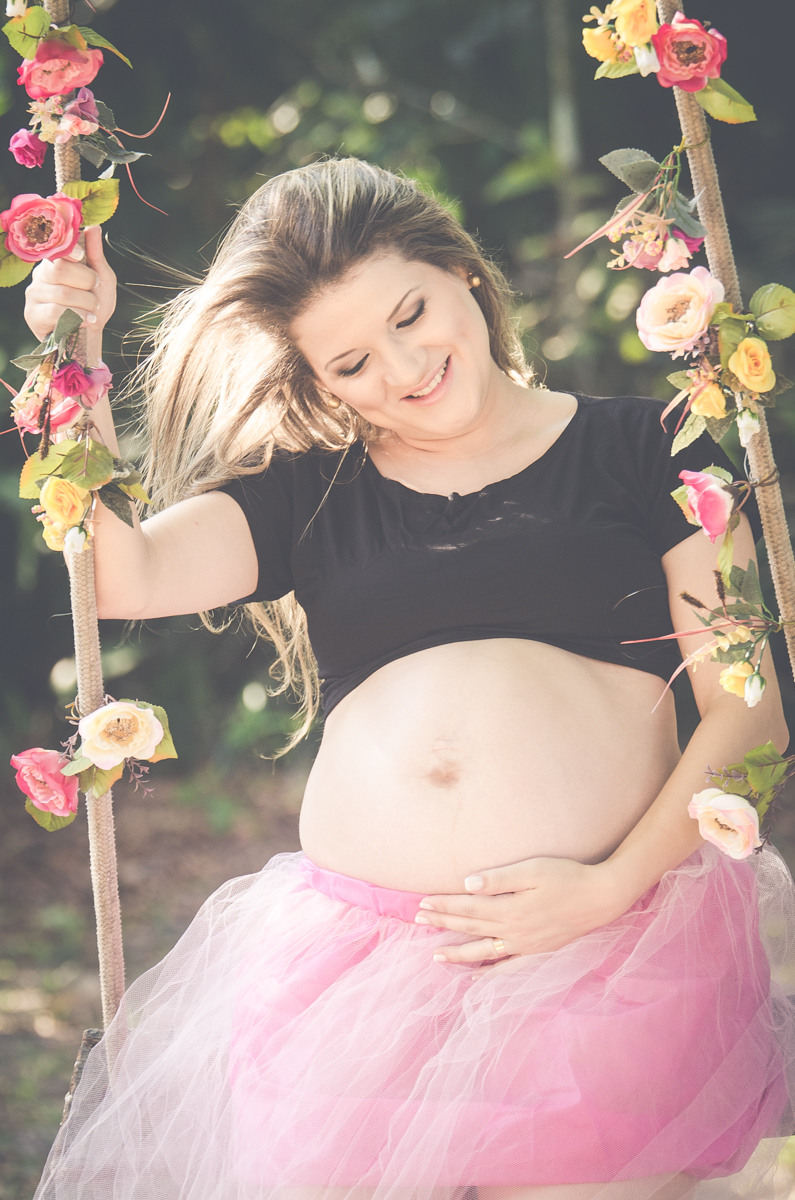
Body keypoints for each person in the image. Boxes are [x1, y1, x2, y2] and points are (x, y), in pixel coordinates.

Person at [26, 158, 795, 1200]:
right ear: (320, 385)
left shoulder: (649, 449)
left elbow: (750, 720)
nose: (402, 367)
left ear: (462, 272)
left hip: (605, 943)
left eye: (410, 315)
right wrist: (70, 353)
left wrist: (607, 887)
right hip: (355, 976)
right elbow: (120, 573)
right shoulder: (309, 496)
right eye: (350, 363)